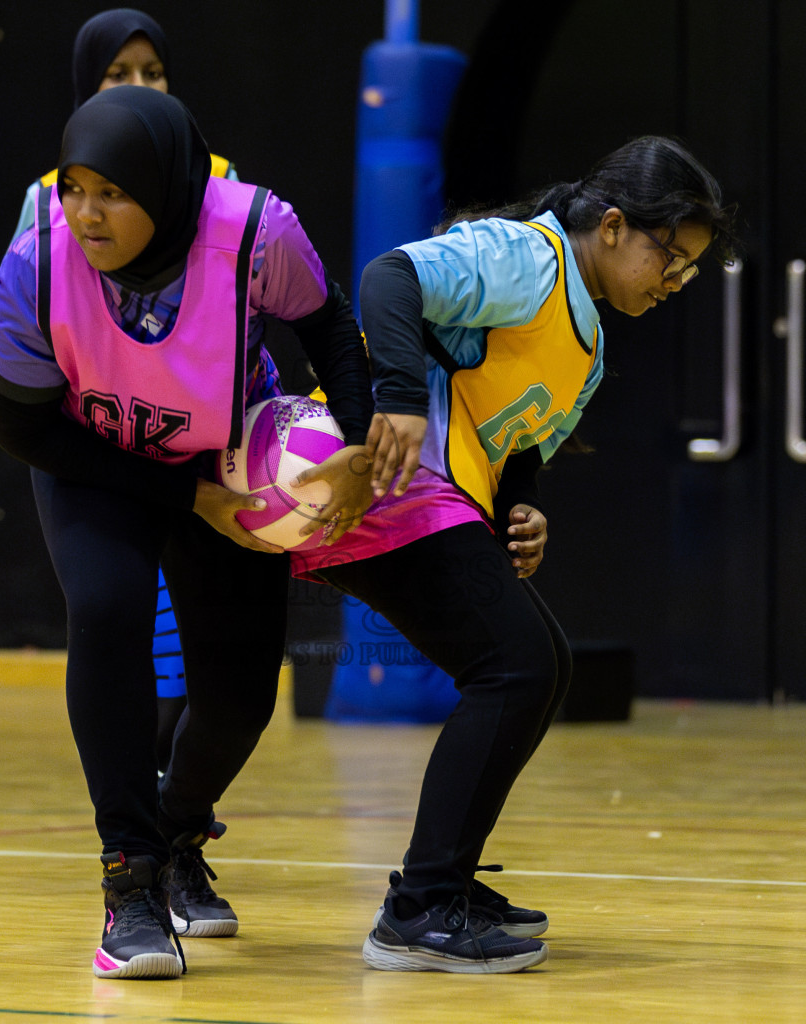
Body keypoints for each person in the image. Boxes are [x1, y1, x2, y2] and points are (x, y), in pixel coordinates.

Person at [294, 135, 737, 973]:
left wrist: (519, 509)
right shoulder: (525, 257)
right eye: (668, 258)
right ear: (611, 227)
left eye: (688, 270)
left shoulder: (590, 344)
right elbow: (390, 277)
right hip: (379, 481)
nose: (674, 282)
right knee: (516, 666)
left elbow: (518, 448)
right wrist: (395, 402)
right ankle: (419, 907)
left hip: (436, 502)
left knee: (541, 666)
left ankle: (443, 885)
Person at [0, 86, 373, 979]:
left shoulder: (255, 233)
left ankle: (175, 833)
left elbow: (329, 328)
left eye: (111, 193)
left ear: (166, 190)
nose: (86, 212)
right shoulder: (34, 262)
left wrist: (354, 441)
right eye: (74, 186)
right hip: (91, 462)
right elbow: (24, 431)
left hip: (226, 458)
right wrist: (174, 493)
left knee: (240, 697)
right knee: (110, 607)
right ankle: (128, 888)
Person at [0, 9, 234, 764]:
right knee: (128, 632)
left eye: (153, 73)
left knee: (202, 658)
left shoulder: (220, 184)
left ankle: (177, 820)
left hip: (188, 443)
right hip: (98, 450)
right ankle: (142, 830)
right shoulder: (47, 199)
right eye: (119, 75)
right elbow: (21, 334)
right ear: (86, 89)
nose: (141, 88)